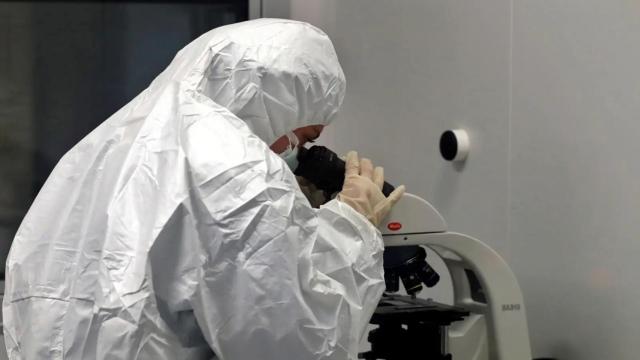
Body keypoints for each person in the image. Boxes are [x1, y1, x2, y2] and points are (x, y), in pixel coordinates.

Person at [3, 19, 404, 359]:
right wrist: (352, 224)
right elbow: (296, 340)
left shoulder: (100, 146)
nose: (297, 150)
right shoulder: (238, 167)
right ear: (278, 104)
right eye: (304, 134)